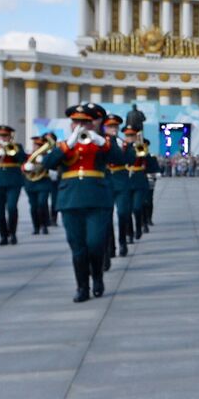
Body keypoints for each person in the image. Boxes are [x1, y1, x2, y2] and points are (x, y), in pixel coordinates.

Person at [42, 104, 112, 302]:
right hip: (71, 200)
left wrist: (102, 141)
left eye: (85, 122)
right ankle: (82, 287)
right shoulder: (64, 146)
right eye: (76, 122)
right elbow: (47, 163)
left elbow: (119, 156)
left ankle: (97, 277)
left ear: (92, 124)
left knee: (96, 244)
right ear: (71, 125)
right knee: (78, 246)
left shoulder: (102, 144)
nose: (80, 126)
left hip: (97, 198)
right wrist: (67, 145)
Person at [102, 113, 133, 262]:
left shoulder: (123, 144)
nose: (113, 128)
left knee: (123, 213)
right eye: (110, 126)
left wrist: (128, 147)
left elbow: (130, 159)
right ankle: (110, 247)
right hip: (106, 181)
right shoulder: (101, 142)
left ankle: (122, 241)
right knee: (107, 218)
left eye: (115, 126)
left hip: (121, 181)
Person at [0, 124, 27, 247]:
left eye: (5, 135)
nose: (3, 137)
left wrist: (13, 152)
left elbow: (23, 159)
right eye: (1, 135)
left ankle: (13, 234)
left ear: (10, 136)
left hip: (13, 181)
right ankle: (3, 236)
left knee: (11, 208)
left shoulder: (17, 146)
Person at [22, 133, 57, 235]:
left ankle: (44, 225)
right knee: (33, 206)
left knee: (42, 203)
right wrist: (25, 167)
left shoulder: (47, 156)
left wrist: (46, 165)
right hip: (31, 183)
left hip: (43, 182)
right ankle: (36, 226)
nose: (36, 147)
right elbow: (22, 166)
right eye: (35, 145)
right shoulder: (29, 155)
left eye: (39, 145)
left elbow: (53, 166)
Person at [123, 123, 151, 239]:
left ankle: (139, 226)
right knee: (127, 210)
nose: (129, 138)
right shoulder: (122, 146)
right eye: (127, 135)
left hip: (138, 178)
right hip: (126, 179)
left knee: (137, 207)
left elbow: (143, 157)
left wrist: (138, 143)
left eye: (131, 135)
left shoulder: (139, 146)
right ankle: (129, 232)